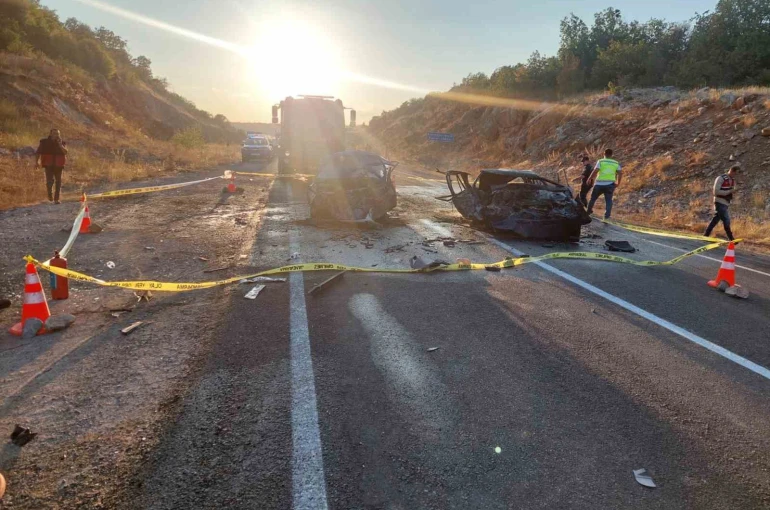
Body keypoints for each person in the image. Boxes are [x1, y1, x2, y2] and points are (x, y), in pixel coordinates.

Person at [704, 164, 740, 241]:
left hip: (726, 203)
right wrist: (730, 191)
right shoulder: (721, 178)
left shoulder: (732, 180)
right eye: (735, 173)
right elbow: (716, 192)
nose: (736, 176)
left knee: (716, 219)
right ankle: (731, 239)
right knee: (726, 219)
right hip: (719, 201)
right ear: (732, 171)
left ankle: (706, 235)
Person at [586, 148, 622, 219]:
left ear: (604, 154)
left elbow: (596, 170)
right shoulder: (615, 163)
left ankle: (588, 212)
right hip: (610, 184)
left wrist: (589, 178)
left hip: (599, 184)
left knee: (593, 198)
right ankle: (606, 217)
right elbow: (620, 173)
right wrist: (618, 183)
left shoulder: (601, 161)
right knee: (608, 200)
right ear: (611, 155)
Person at [36, 128, 68, 204]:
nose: (56, 135)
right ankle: (50, 198)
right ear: (50, 134)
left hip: (59, 165)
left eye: (57, 134)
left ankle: (56, 199)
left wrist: (60, 145)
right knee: (49, 182)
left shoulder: (62, 142)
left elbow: (66, 152)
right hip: (48, 164)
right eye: (54, 133)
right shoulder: (44, 142)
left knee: (58, 182)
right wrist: (36, 162)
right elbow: (38, 152)